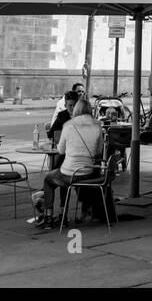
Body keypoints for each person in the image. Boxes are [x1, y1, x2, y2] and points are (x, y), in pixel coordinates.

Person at [28, 97, 103, 228]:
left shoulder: (68, 126)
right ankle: (63, 214)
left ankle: (49, 216)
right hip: (88, 172)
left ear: (77, 110)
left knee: (49, 179)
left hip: (70, 172)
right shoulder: (97, 125)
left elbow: (61, 150)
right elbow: (98, 151)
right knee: (63, 179)